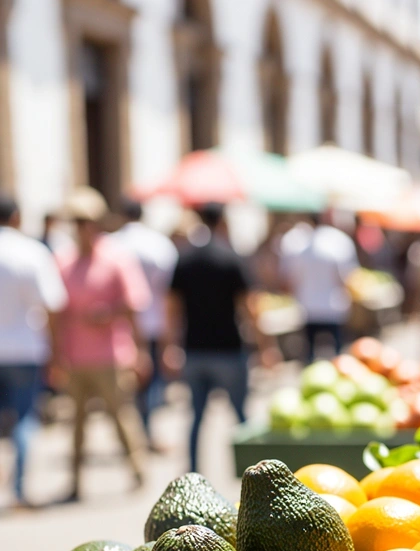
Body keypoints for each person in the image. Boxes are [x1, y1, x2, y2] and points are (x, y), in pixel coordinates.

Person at [55, 187, 150, 501]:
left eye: (86, 221)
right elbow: (55, 313)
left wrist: (139, 350)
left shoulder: (115, 258)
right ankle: (75, 480)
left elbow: (134, 305)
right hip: (76, 355)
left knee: (121, 416)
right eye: (77, 222)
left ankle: (137, 469)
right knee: (76, 424)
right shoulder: (64, 261)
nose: (82, 228)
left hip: (111, 354)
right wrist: (56, 355)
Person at [166, 202, 264, 473]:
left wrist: (169, 347)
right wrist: (264, 346)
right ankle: (255, 475)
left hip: (195, 349)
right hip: (229, 349)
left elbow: (171, 310)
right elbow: (249, 308)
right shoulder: (232, 258)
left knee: (196, 417)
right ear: (223, 221)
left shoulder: (184, 259)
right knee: (242, 417)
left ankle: (195, 474)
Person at [0, 194, 67, 506]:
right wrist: (55, 351)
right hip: (26, 349)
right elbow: (53, 306)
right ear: (16, 216)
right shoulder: (32, 252)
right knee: (25, 420)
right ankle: (18, 490)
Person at [112, 197, 178, 443]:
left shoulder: (113, 243)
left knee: (128, 386)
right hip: (154, 322)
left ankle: (136, 434)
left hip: (120, 327)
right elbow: (170, 290)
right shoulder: (159, 244)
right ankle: (145, 432)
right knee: (151, 384)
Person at [278, 213, 359, 361]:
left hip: (309, 306)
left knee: (309, 354)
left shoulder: (300, 244)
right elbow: (348, 277)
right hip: (333, 307)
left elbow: (291, 279)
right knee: (337, 356)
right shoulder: (339, 242)